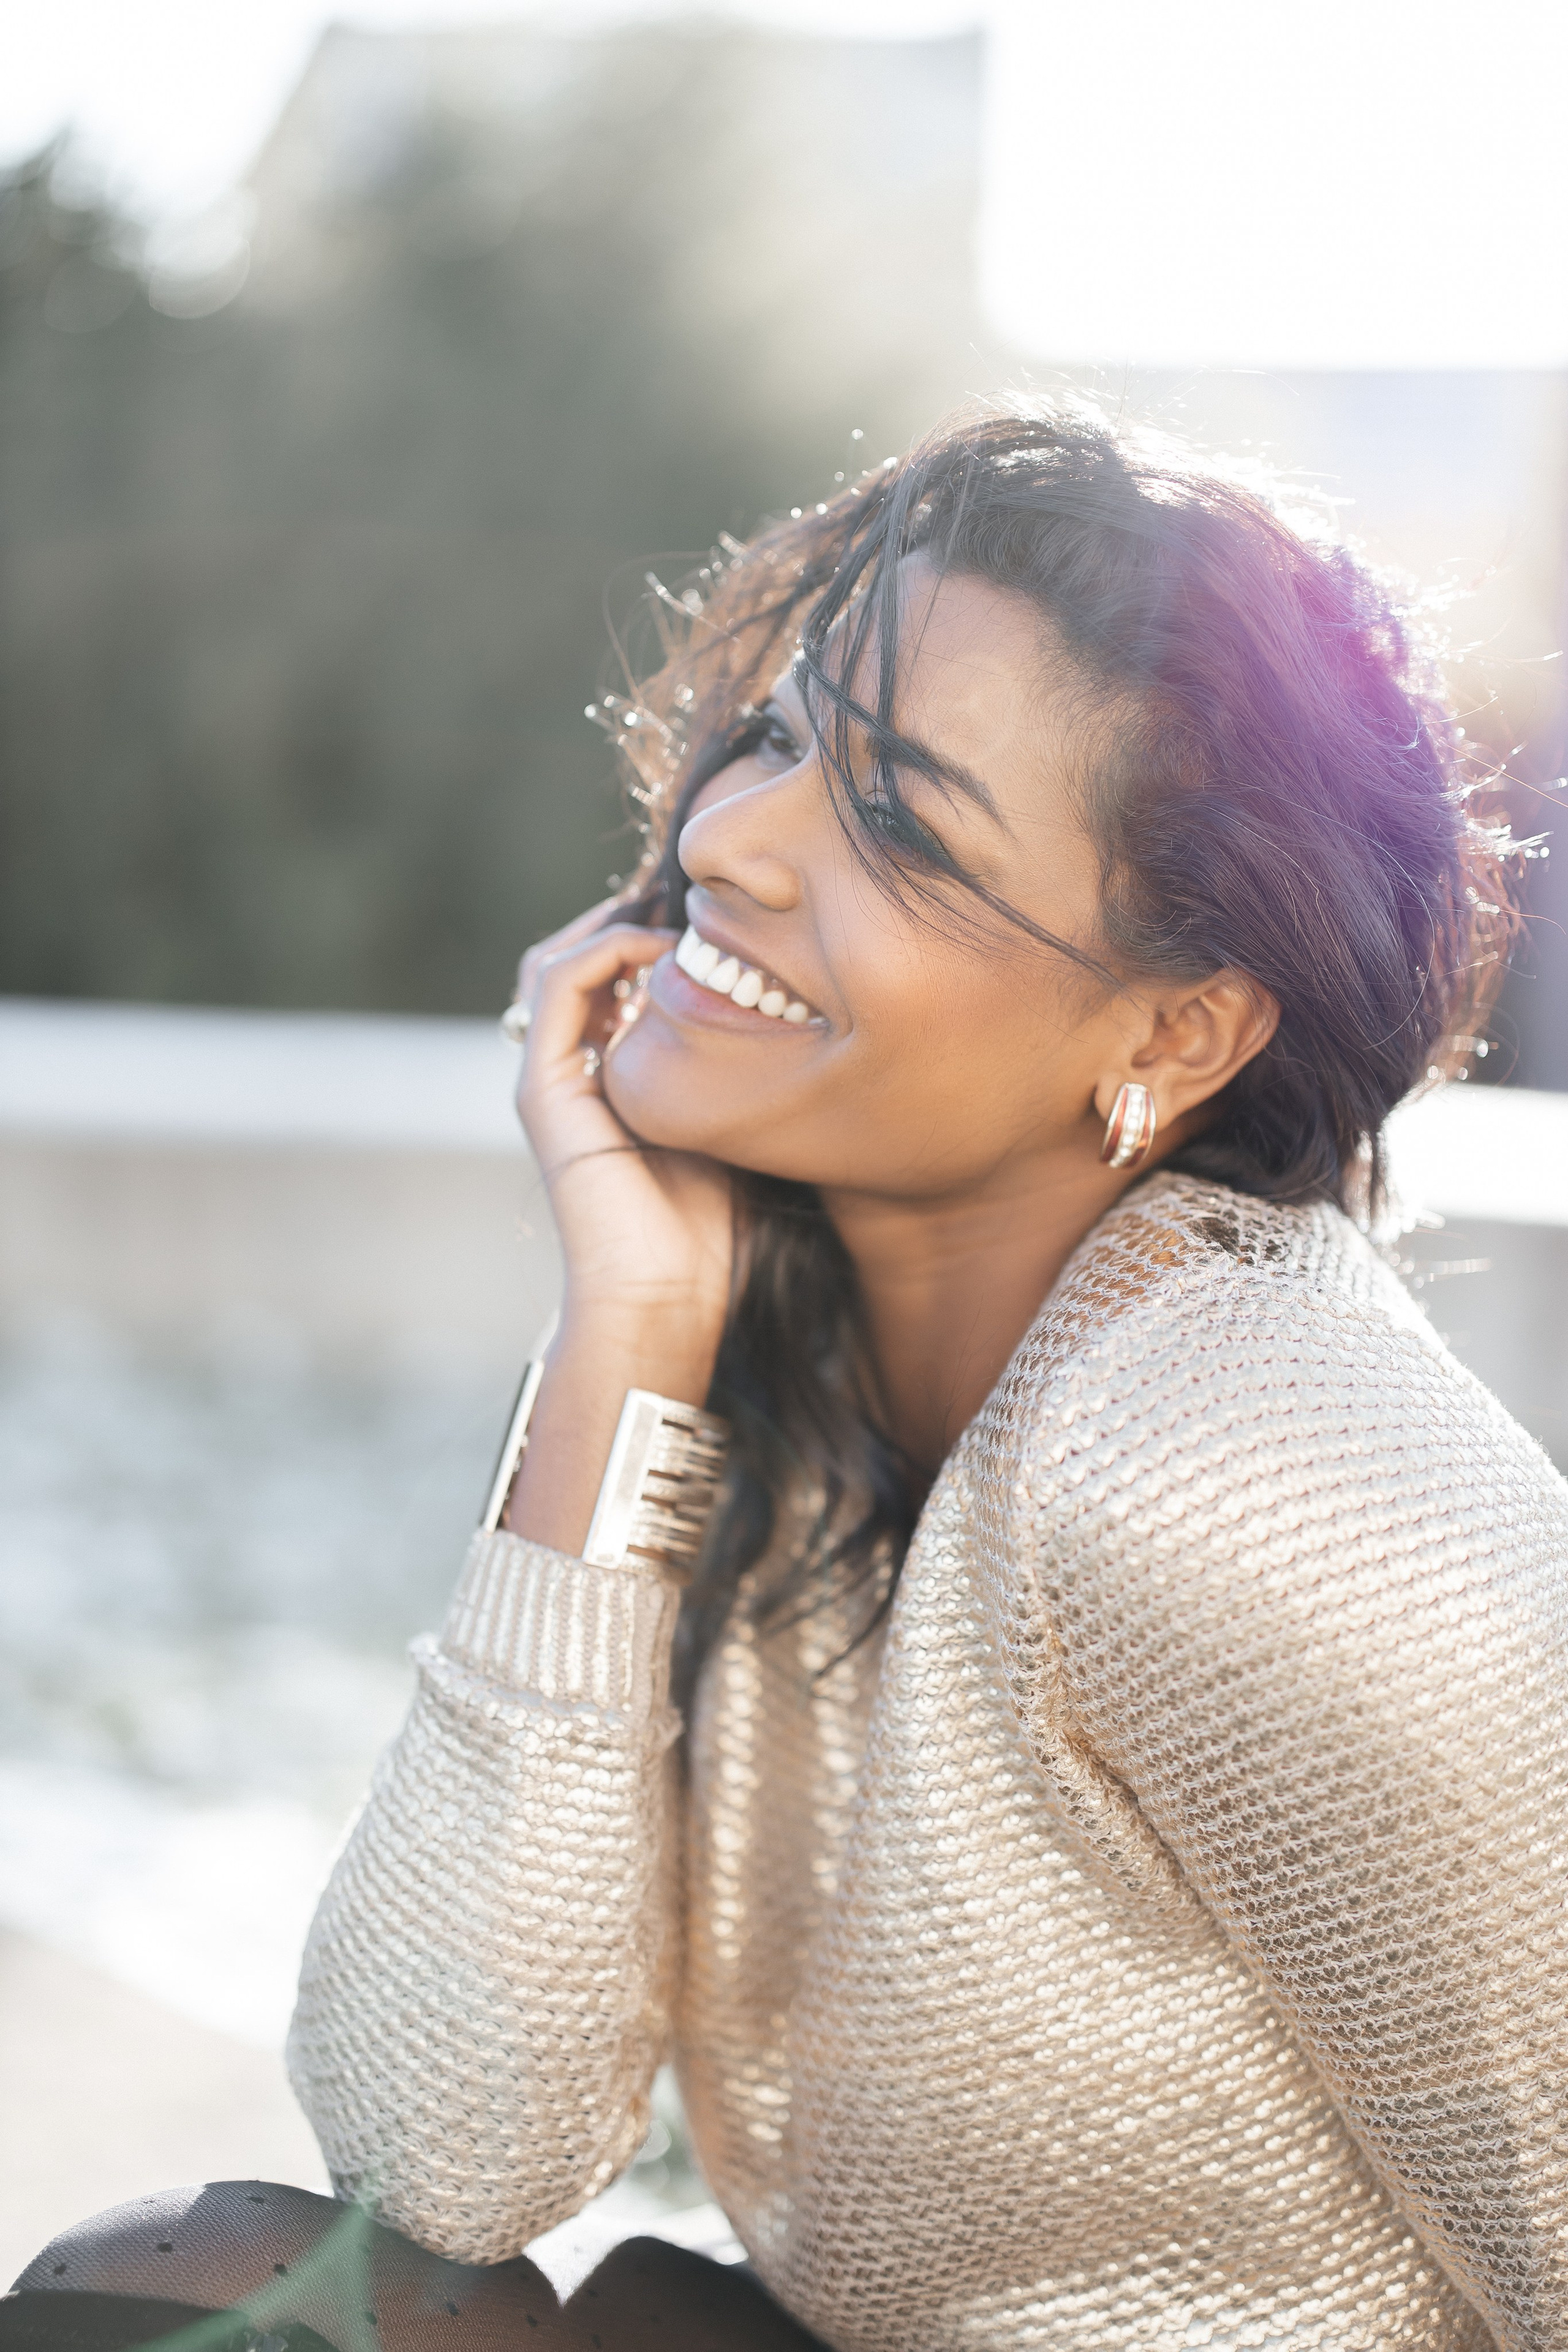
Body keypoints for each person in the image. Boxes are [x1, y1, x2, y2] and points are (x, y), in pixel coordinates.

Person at [7, 401, 1566, 2352]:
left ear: (1174, 1027)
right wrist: (629, 1332)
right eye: (785, 733)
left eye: (900, 822)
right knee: (207, 2318)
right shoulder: (764, 1333)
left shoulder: (1248, 1476)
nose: (730, 836)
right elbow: (438, 2163)